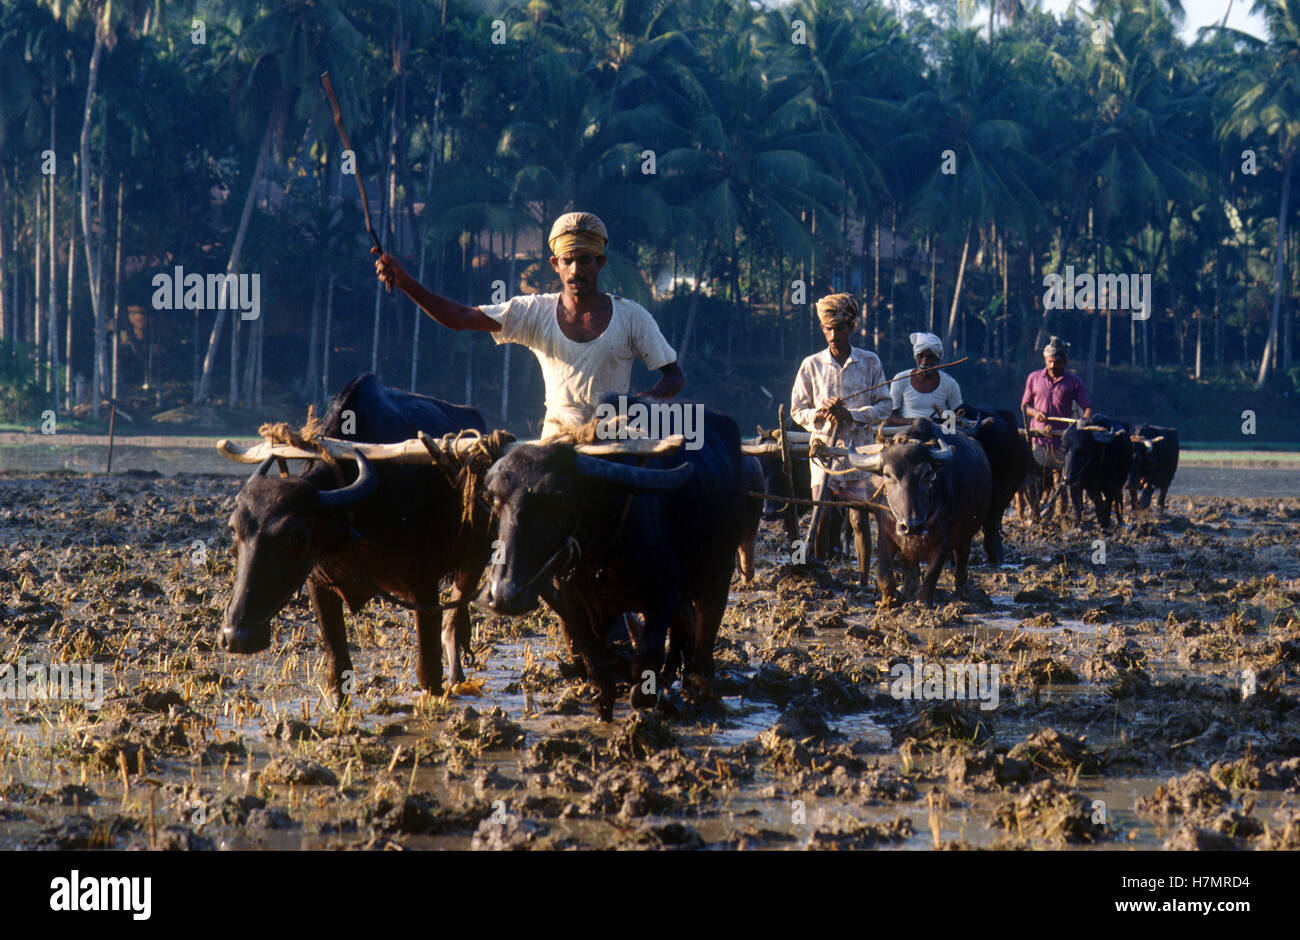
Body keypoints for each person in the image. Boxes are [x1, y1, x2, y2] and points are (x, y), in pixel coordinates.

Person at [374, 211, 685, 436]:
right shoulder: (535, 311)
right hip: (556, 442)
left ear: (599, 263)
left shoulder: (632, 317)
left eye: (585, 260)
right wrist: (405, 283)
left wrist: (639, 402)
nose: (576, 270)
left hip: (615, 440)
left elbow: (674, 377)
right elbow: (461, 318)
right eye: (568, 260)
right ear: (556, 265)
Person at [790, 294, 892, 582]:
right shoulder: (811, 365)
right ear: (822, 329)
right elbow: (798, 409)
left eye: (841, 328)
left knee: (859, 519)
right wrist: (820, 415)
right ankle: (818, 574)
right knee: (820, 517)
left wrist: (852, 415)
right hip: (823, 452)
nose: (834, 335)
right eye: (828, 328)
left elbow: (885, 406)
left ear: (852, 327)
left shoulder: (870, 362)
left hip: (860, 452)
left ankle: (862, 578)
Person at [886, 332, 962, 423]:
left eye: (930, 357)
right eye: (921, 356)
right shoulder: (900, 380)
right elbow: (890, 417)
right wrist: (916, 422)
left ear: (937, 358)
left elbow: (959, 416)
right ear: (915, 356)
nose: (924, 361)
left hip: (939, 433)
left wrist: (940, 424)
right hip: (907, 434)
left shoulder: (950, 384)